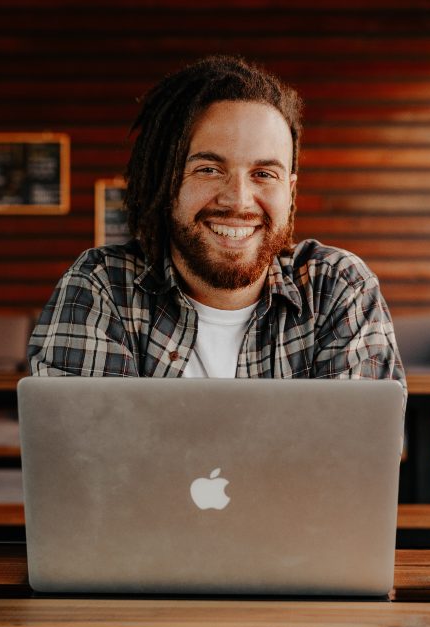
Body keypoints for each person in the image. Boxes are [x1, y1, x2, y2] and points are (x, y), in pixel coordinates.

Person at [28, 55, 404, 384]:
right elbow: (88, 460)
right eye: (208, 169)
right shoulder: (103, 289)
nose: (238, 200)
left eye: (263, 174)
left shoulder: (337, 289)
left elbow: (350, 462)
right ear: (165, 179)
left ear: (290, 192)